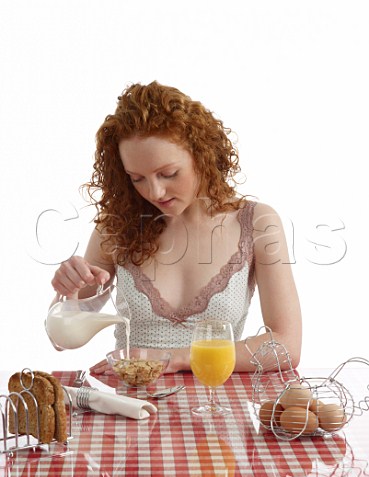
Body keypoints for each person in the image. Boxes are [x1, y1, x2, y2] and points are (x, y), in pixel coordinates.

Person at [51, 81, 302, 375]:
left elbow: (286, 346)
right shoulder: (116, 229)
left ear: (201, 155)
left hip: (216, 406)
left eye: (167, 173)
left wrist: (177, 358)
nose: (155, 192)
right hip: (132, 404)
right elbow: (62, 341)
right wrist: (67, 294)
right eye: (137, 178)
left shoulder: (256, 223)